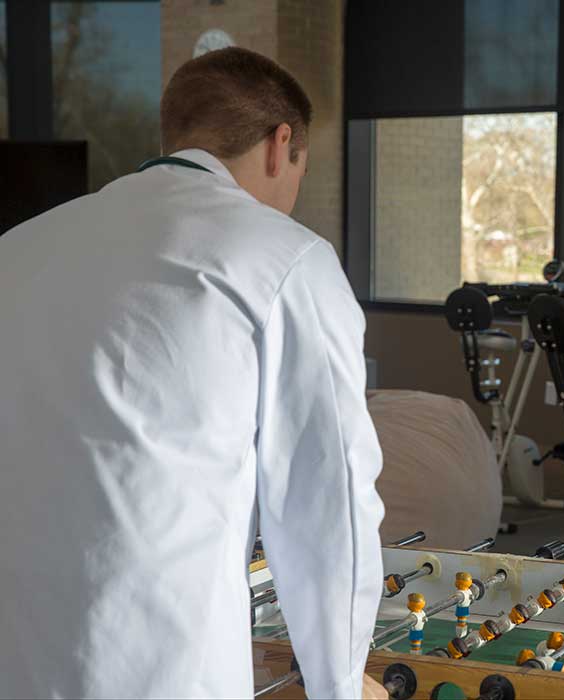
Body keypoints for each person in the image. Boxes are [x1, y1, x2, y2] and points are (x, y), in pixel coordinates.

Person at [0, 48, 386, 698]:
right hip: (161, 672)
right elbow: (328, 504)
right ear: (280, 145)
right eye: (301, 169)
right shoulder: (286, 260)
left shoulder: (17, 248)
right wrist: (342, 684)